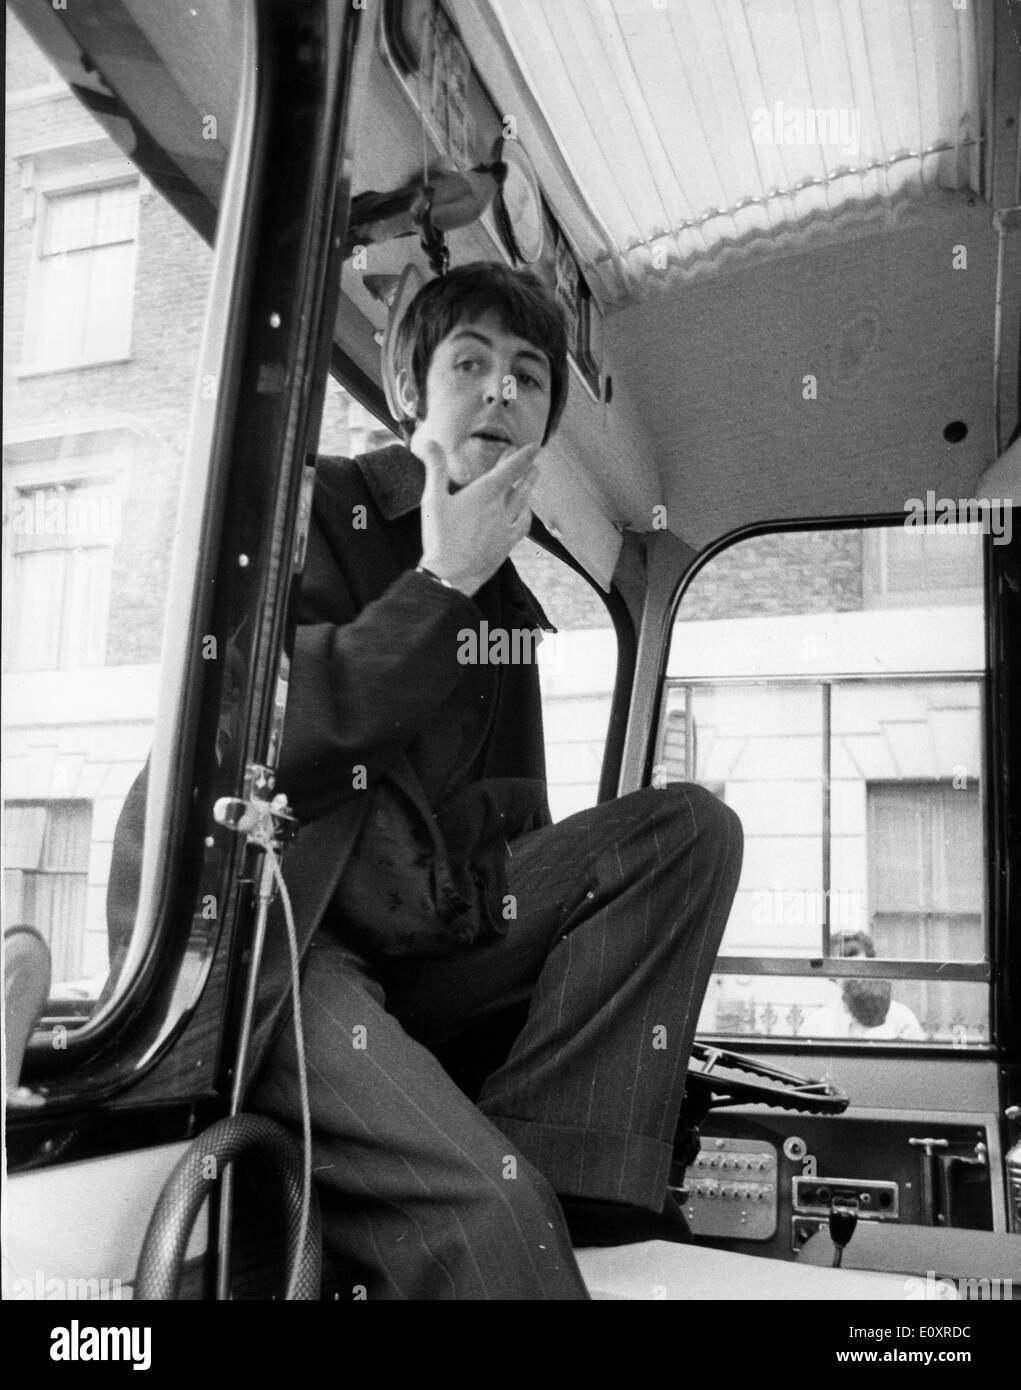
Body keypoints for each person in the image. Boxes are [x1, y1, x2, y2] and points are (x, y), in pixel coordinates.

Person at [109, 261, 743, 1299]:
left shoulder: (509, 607)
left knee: (689, 830)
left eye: (529, 377)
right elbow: (261, 730)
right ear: (410, 392)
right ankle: (504, 1198)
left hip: (424, 939)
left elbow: (509, 842)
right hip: (279, 945)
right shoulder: (311, 505)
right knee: (496, 1215)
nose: (502, 392)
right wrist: (437, 582)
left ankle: (552, 1165)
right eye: (472, 363)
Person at [799, 931, 925, 1041]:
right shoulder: (817, 1022)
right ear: (832, 975)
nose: (853, 977)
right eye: (844, 969)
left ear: (871, 969)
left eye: (859, 968)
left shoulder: (901, 1018)